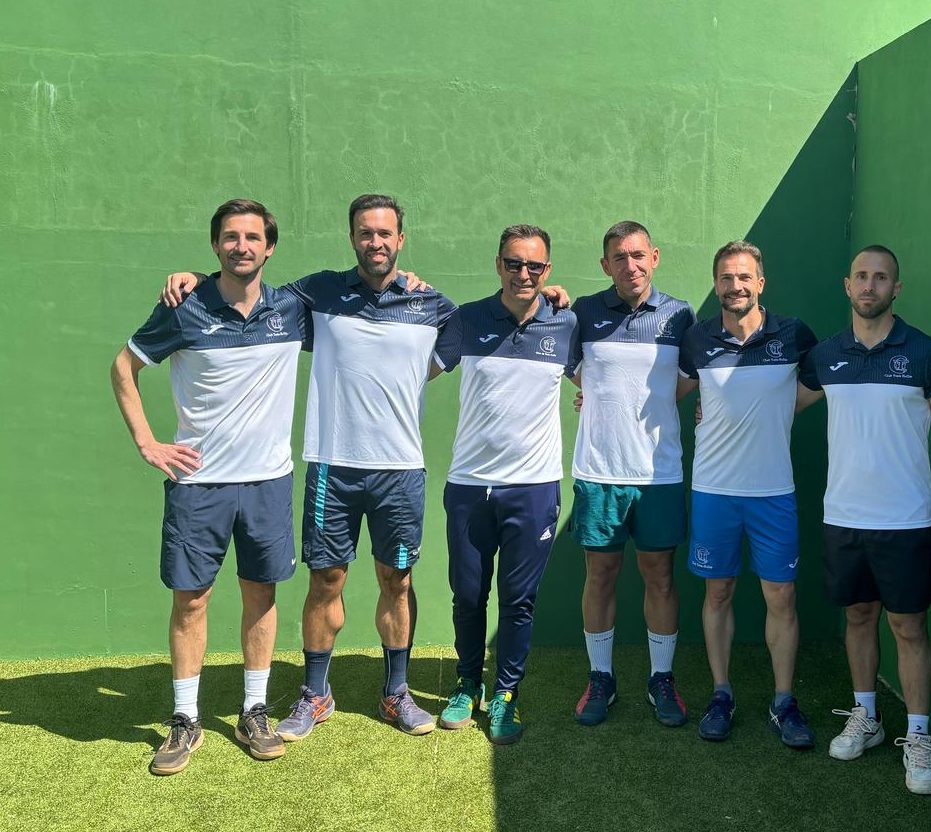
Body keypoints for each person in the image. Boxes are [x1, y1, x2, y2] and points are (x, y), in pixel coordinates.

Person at [162, 194, 454, 737]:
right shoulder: (316, 294)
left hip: (401, 470)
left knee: (397, 579)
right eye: (365, 232)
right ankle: (316, 694)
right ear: (352, 238)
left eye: (384, 233)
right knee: (326, 580)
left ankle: (396, 693)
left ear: (400, 239)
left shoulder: (431, 303)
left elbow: (486, 327)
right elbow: (248, 286)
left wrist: (551, 298)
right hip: (331, 468)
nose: (375, 242)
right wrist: (196, 278)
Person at [111, 199, 307, 774]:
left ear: (270, 247)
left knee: (261, 595)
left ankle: (254, 711)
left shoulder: (294, 308)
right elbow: (124, 366)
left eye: (252, 237)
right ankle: (185, 719)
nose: (241, 246)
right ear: (216, 245)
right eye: (230, 237)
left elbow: (363, 292)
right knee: (191, 599)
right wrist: (147, 442)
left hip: (268, 481)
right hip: (198, 485)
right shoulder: (185, 307)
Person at [799, 244, 931, 794]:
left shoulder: (927, 353)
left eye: (881, 277)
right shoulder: (826, 355)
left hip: (906, 520)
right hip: (843, 516)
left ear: (896, 288)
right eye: (861, 276)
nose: (870, 285)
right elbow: (776, 406)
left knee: (909, 626)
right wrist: (709, 407)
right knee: (859, 616)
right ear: (847, 285)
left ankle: (919, 736)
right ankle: (867, 716)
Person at [429, 225, 578, 744]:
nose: (523, 274)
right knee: (468, 595)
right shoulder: (466, 319)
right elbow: (411, 371)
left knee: (518, 601)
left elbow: (604, 379)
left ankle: (506, 694)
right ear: (498, 265)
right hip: (470, 486)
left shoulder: (566, 322)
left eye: (534, 266)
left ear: (547, 270)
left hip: (534, 489)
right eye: (514, 264)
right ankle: (468, 684)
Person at [677, 240, 818, 746]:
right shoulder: (697, 339)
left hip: (773, 492)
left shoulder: (794, 334)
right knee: (718, 592)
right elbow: (667, 392)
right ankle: (721, 694)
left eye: (743, 277)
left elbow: (822, 383)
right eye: (725, 278)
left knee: (781, 595)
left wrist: (777, 411)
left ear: (760, 282)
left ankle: (784, 702)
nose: (734, 286)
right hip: (713, 491)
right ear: (716, 284)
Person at [567, 221, 697, 728]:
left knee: (660, 576)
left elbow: (684, 383)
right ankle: (600, 677)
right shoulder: (583, 312)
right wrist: (599, 396)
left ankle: (661, 678)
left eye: (638, 255)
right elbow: (571, 368)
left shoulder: (680, 315)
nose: (630, 265)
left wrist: (649, 402)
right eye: (619, 257)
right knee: (599, 575)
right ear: (606, 265)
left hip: (659, 474)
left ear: (654, 257)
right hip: (599, 472)